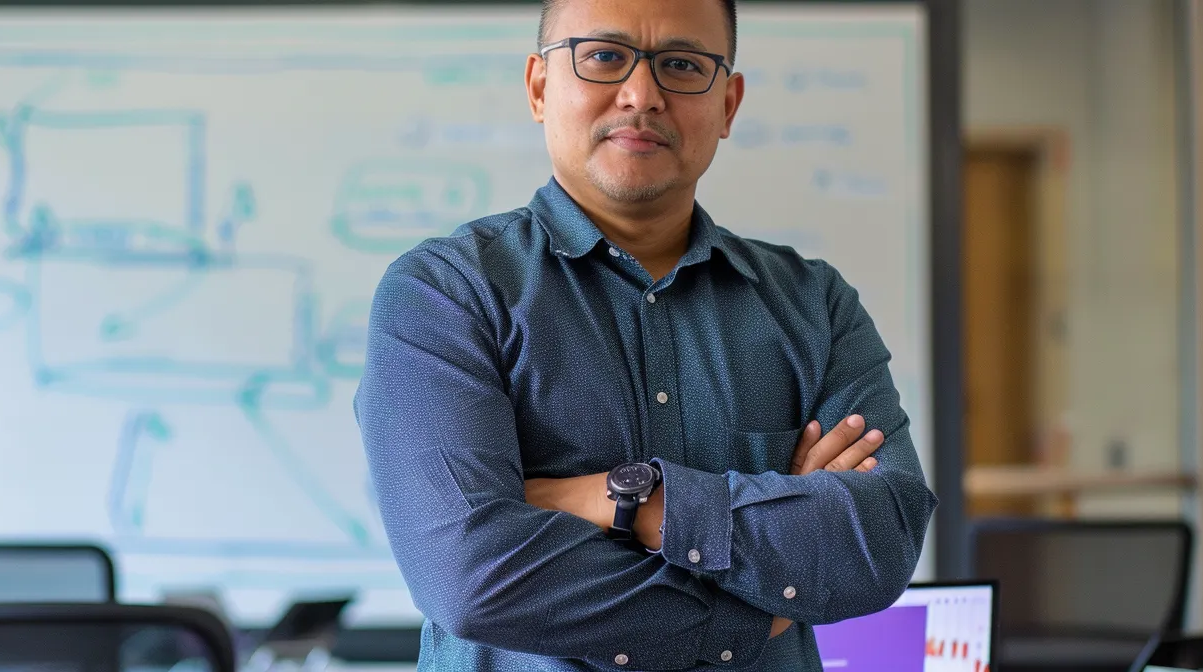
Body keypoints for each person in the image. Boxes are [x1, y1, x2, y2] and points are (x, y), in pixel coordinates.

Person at [352, 0, 938, 668]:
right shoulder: (443, 294)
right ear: (540, 87)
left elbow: (879, 541)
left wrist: (626, 499)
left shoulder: (814, 304)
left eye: (683, 65)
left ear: (728, 104)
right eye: (604, 56)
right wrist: (753, 605)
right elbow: (473, 577)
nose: (642, 95)